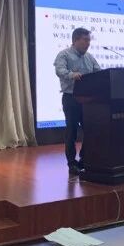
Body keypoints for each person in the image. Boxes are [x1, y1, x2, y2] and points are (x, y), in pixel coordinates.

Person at [53, 27, 102, 176]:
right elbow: (59, 71)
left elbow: (99, 73)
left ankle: (84, 159)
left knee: (91, 130)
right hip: (71, 98)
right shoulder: (64, 55)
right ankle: (72, 163)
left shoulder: (90, 57)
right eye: (85, 40)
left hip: (88, 100)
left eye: (89, 40)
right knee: (72, 132)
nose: (88, 43)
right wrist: (71, 75)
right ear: (75, 40)